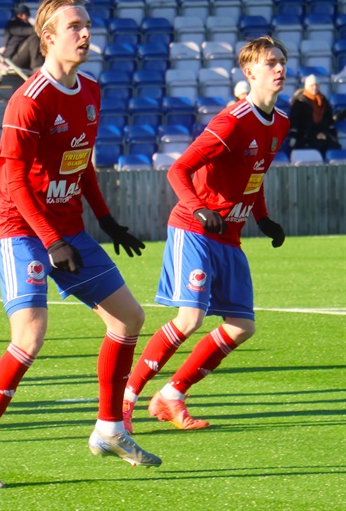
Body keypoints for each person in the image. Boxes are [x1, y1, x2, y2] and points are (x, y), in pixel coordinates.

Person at [0, 0, 161, 490]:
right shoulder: (28, 100)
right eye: (74, 26)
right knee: (29, 336)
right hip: (20, 226)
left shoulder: (89, 90)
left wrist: (106, 220)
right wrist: (50, 240)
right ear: (47, 38)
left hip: (65, 227)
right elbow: (13, 182)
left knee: (129, 318)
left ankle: (109, 429)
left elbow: (80, 162)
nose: (85, 33)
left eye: (87, 24)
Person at [124, 36, 290, 432]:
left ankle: (172, 395)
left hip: (229, 235)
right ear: (249, 72)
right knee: (190, 318)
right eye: (270, 62)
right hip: (194, 228)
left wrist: (262, 217)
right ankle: (124, 401)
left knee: (242, 326)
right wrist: (200, 208)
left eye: (282, 61)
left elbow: (254, 174)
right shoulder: (232, 120)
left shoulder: (280, 122)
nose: (280, 68)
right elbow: (177, 170)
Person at [288, 74, 340, 156]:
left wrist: (331, 135)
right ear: (307, 87)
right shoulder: (300, 102)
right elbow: (295, 121)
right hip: (305, 136)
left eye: (316, 85)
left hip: (322, 135)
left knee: (334, 148)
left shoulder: (323, 101)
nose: (315, 87)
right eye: (312, 85)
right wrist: (293, 136)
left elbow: (329, 120)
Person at [0, 4, 40, 88]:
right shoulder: (13, 25)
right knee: (35, 37)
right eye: (22, 15)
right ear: (18, 16)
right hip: (13, 59)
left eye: (27, 14)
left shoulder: (28, 25)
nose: (25, 17)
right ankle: (37, 67)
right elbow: (29, 31)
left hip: (26, 59)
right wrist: (40, 28)